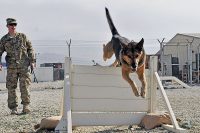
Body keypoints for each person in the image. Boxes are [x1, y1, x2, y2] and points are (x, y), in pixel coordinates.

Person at [0, 18, 35, 115]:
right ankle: (13, 108)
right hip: (11, 67)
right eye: (11, 24)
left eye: (15, 24)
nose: (13, 26)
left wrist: (32, 61)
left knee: (25, 86)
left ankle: (26, 106)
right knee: (11, 88)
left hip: (24, 66)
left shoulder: (23, 37)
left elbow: (30, 48)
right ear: (7, 26)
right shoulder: (4, 39)